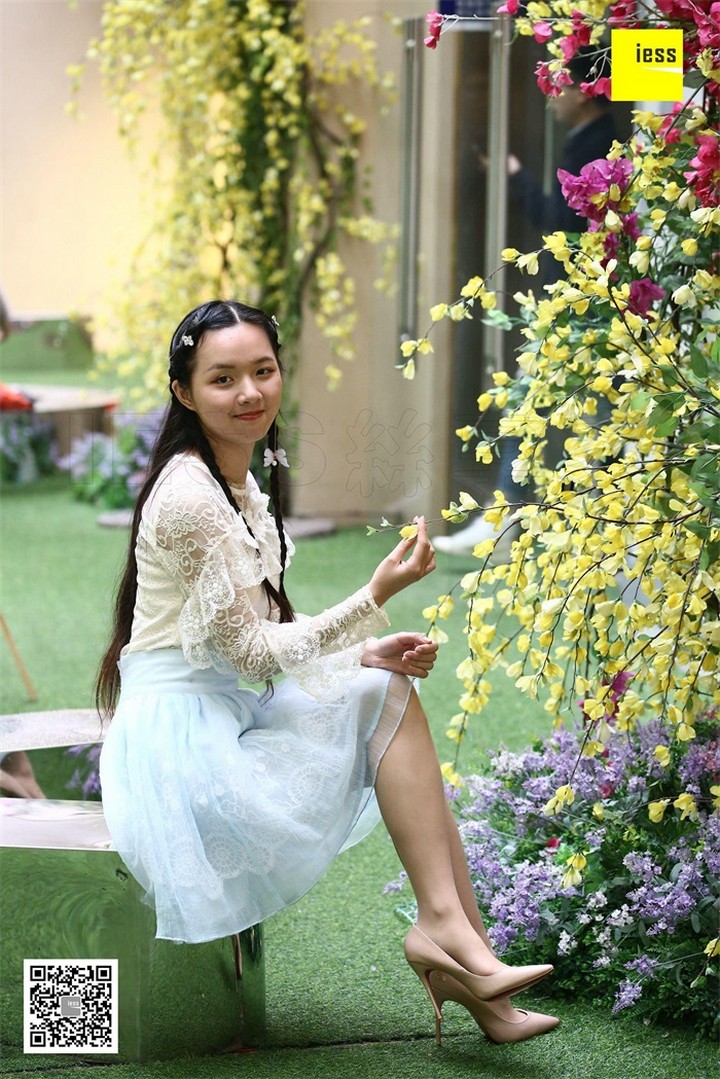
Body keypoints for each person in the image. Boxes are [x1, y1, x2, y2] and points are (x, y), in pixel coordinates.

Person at [97, 299, 558, 1046]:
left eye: (263, 371)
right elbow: (252, 655)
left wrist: (360, 652)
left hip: (223, 714)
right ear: (184, 392)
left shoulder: (231, 481)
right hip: (184, 750)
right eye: (223, 379)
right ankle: (451, 942)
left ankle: (461, 952)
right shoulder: (189, 497)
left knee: (384, 688)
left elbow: (255, 632)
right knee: (384, 698)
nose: (249, 392)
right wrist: (372, 598)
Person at [435, 49, 617, 556]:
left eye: (561, 88)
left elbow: (560, 224)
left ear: (584, 92)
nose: (553, 99)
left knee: (545, 401)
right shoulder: (594, 138)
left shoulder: (592, 143)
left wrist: (514, 176)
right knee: (560, 404)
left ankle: (511, 516)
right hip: (584, 302)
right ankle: (513, 515)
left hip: (583, 304)